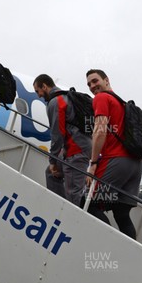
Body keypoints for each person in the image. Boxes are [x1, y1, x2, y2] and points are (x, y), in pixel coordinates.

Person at [84, 69, 142, 240]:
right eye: (89, 84)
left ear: (106, 80)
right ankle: (131, 253)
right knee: (121, 213)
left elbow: (100, 130)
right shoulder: (123, 104)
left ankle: (112, 245)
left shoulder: (102, 98)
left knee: (88, 204)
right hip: (135, 165)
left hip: (116, 160)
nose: (92, 86)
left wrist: (93, 163)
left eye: (95, 81)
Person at [34, 74, 91, 205]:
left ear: (44, 86)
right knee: (51, 173)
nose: (39, 95)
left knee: (73, 194)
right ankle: (58, 207)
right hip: (77, 146)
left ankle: (70, 218)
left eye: (38, 91)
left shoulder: (56, 101)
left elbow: (57, 134)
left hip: (76, 150)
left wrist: (52, 160)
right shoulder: (67, 97)